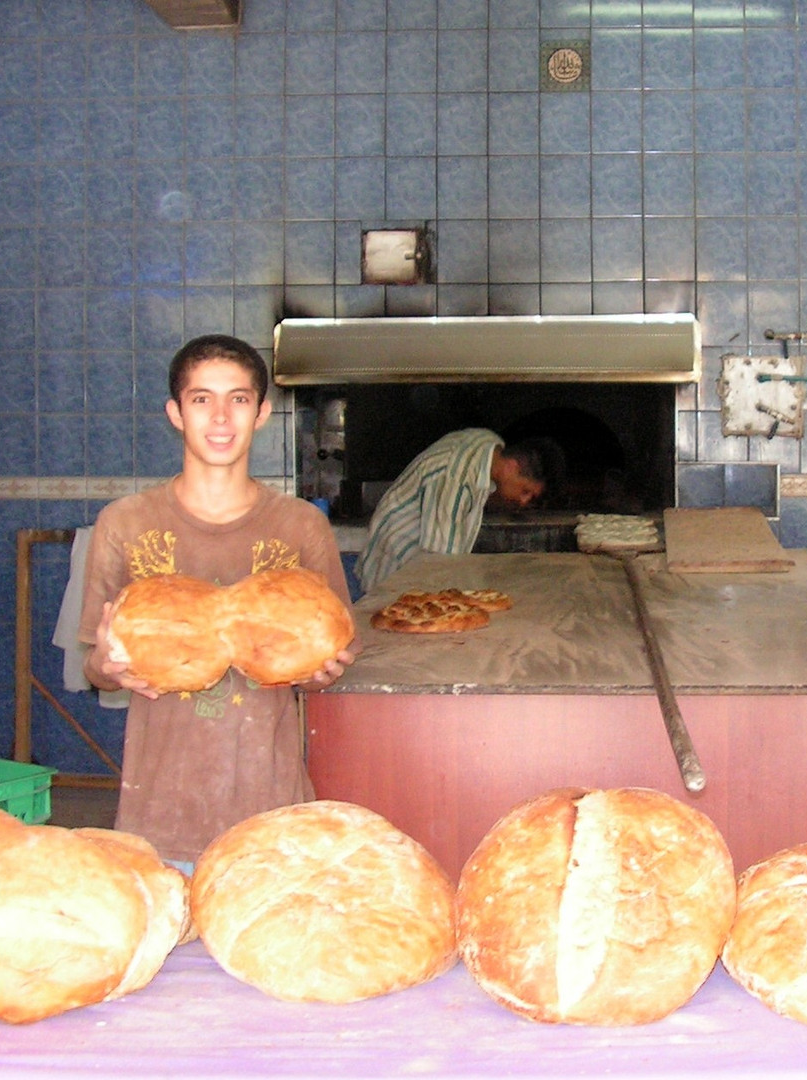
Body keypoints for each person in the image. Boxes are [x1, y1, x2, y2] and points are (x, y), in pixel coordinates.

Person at [80, 334, 356, 869]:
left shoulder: (301, 526)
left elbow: (333, 653)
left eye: (239, 399)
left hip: (269, 804)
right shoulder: (125, 522)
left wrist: (322, 670)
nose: (221, 417)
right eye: (202, 399)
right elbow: (96, 666)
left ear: (262, 413)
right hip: (160, 810)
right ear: (176, 413)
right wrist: (106, 665)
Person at [353, 428, 562, 593]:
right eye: (526, 491)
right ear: (511, 467)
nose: (524, 501)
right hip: (391, 576)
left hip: (417, 573)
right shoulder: (455, 480)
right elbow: (441, 565)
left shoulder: (490, 444)